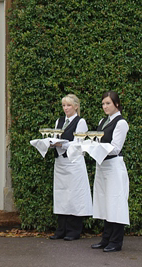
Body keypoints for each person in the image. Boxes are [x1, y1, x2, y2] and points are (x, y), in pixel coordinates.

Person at [49, 94, 93, 241]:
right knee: (61, 195)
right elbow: (55, 138)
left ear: (76, 106)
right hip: (60, 163)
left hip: (74, 163)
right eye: (63, 106)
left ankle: (74, 231)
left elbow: (78, 143)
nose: (66, 108)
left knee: (74, 195)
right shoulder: (59, 121)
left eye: (68, 105)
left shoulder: (81, 122)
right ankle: (61, 229)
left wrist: (60, 144)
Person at [91, 90, 129, 252]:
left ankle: (116, 241)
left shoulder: (121, 123)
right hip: (103, 166)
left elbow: (115, 148)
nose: (105, 107)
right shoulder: (103, 121)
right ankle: (106, 239)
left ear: (117, 104)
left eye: (108, 103)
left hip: (114, 166)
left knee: (116, 203)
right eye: (103, 104)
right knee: (105, 202)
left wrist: (96, 147)